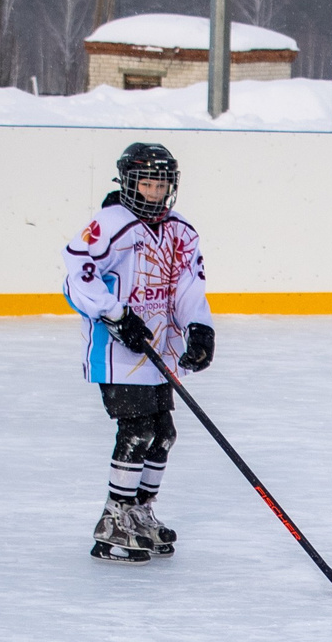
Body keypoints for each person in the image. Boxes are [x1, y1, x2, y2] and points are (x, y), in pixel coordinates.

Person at [60, 142, 216, 566]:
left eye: (161, 182)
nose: (154, 191)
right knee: (137, 431)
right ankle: (114, 520)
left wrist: (199, 328)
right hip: (118, 351)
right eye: (146, 182)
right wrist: (114, 314)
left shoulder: (181, 230)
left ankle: (140, 513)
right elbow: (76, 279)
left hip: (159, 348)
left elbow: (187, 287)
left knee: (163, 433)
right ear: (128, 182)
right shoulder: (110, 224)